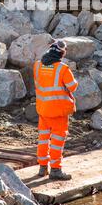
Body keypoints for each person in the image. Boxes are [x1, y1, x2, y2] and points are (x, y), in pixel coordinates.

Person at [33, 40, 78, 180]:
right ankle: (56, 170)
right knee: (57, 141)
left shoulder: (37, 65)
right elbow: (72, 87)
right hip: (58, 112)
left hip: (43, 109)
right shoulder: (63, 68)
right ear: (62, 54)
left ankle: (42, 168)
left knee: (43, 139)